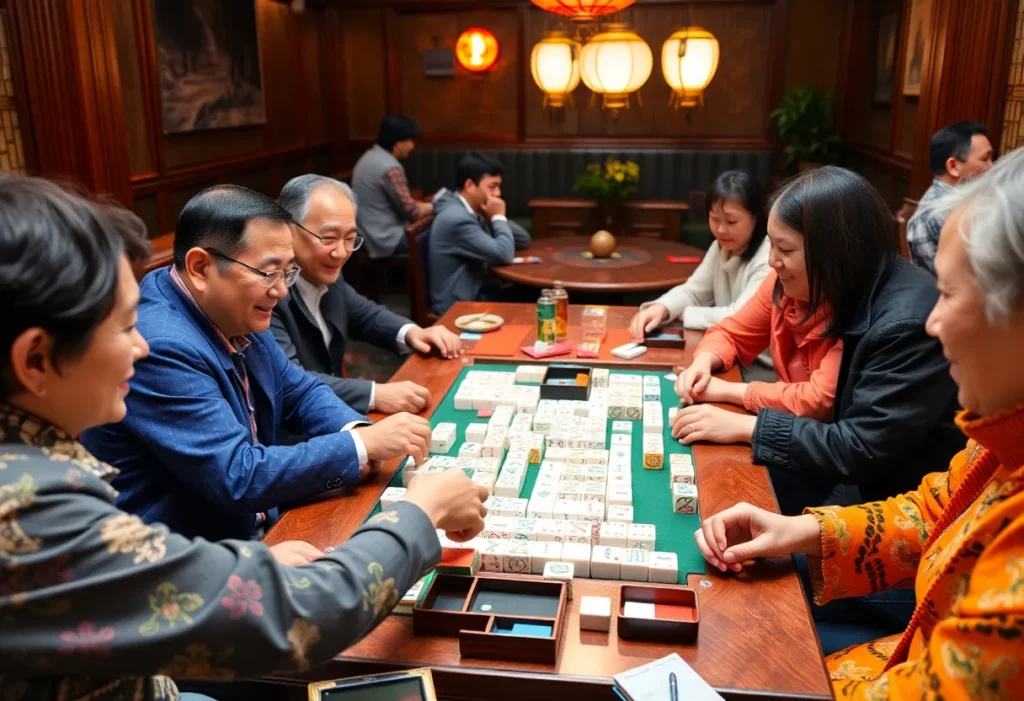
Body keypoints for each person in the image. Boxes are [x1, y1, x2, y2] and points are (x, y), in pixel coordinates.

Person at [0, 174, 488, 701]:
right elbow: (303, 616)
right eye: (122, 327)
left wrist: (237, 567)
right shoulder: (29, 513)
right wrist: (419, 511)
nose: (140, 347)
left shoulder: (38, 454)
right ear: (35, 359)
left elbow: (295, 385)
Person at [693, 148, 1024, 699]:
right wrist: (803, 532)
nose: (935, 320)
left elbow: (856, 446)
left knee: (738, 636)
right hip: (873, 542)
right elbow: (935, 507)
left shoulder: (904, 320)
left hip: (897, 636)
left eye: (949, 293)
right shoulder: (1001, 432)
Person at [80, 185, 435, 542]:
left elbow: (297, 388)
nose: (281, 290)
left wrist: (355, 432)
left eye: (288, 272)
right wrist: (361, 447)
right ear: (200, 267)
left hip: (260, 519)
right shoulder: (161, 346)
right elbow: (237, 473)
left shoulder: (235, 306)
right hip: (197, 554)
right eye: (269, 273)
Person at [672, 167, 963, 515]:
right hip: (824, 454)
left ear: (835, 252)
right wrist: (705, 361)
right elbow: (731, 330)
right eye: (771, 244)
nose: (771, 261)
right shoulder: (806, 283)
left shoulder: (902, 322)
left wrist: (745, 424)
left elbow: (855, 447)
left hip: (897, 496)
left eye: (784, 249)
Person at [273, 174, 461, 415]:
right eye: (328, 238)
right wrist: (375, 394)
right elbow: (290, 381)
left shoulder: (326, 272)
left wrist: (414, 332)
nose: (341, 252)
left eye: (350, 239)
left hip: (334, 413)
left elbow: (363, 313)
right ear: (288, 229)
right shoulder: (270, 292)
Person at [630, 170, 771, 339]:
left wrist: (685, 314)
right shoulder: (719, 247)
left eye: (731, 221)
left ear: (757, 218)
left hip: (756, 361)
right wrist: (662, 308)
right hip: (723, 345)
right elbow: (693, 292)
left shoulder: (768, 258)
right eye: (714, 219)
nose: (720, 229)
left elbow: (740, 318)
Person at [428, 152, 532, 315]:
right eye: (492, 186)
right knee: (533, 302)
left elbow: (523, 239)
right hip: (459, 304)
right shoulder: (456, 218)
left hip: (476, 290)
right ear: (470, 185)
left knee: (534, 295)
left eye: (499, 186)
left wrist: (494, 217)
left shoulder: (471, 209)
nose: (498, 193)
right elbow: (503, 254)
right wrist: (497, 216)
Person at [906, 121, 993, 274]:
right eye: (985, 159)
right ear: (953, 166)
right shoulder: (933, 215)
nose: (991, 166)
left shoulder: (966, 201)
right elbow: (965, 280)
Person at [352, 114, 432, 259]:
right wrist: (435, 205)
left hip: (367, 234)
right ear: (398, 142)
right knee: (439, 234)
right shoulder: (390, 168)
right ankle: (424, 281)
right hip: (385, 239)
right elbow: (412, 212)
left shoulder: (369, 156)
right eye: (410, 140)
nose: (412, 146)